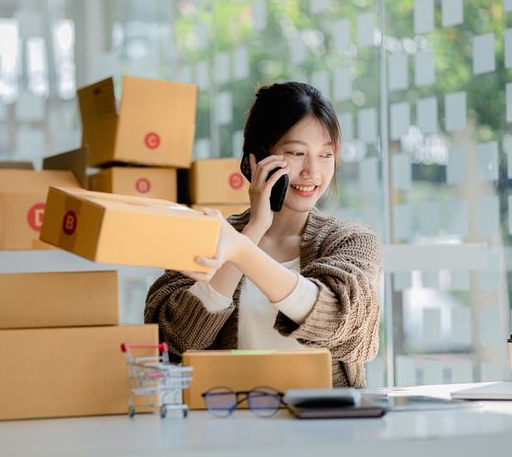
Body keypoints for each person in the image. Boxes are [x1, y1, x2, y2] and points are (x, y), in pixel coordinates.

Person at [144, 81, 381, 388]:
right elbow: (174, 341)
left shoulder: (352, 241)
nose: (313, 172)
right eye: (297, 153)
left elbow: (340, 319)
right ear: (255, 158)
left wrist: (242, 251)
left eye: (326, 155)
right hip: (229, 424)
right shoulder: (211, 237)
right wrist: (252, 231)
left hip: (324, 428)